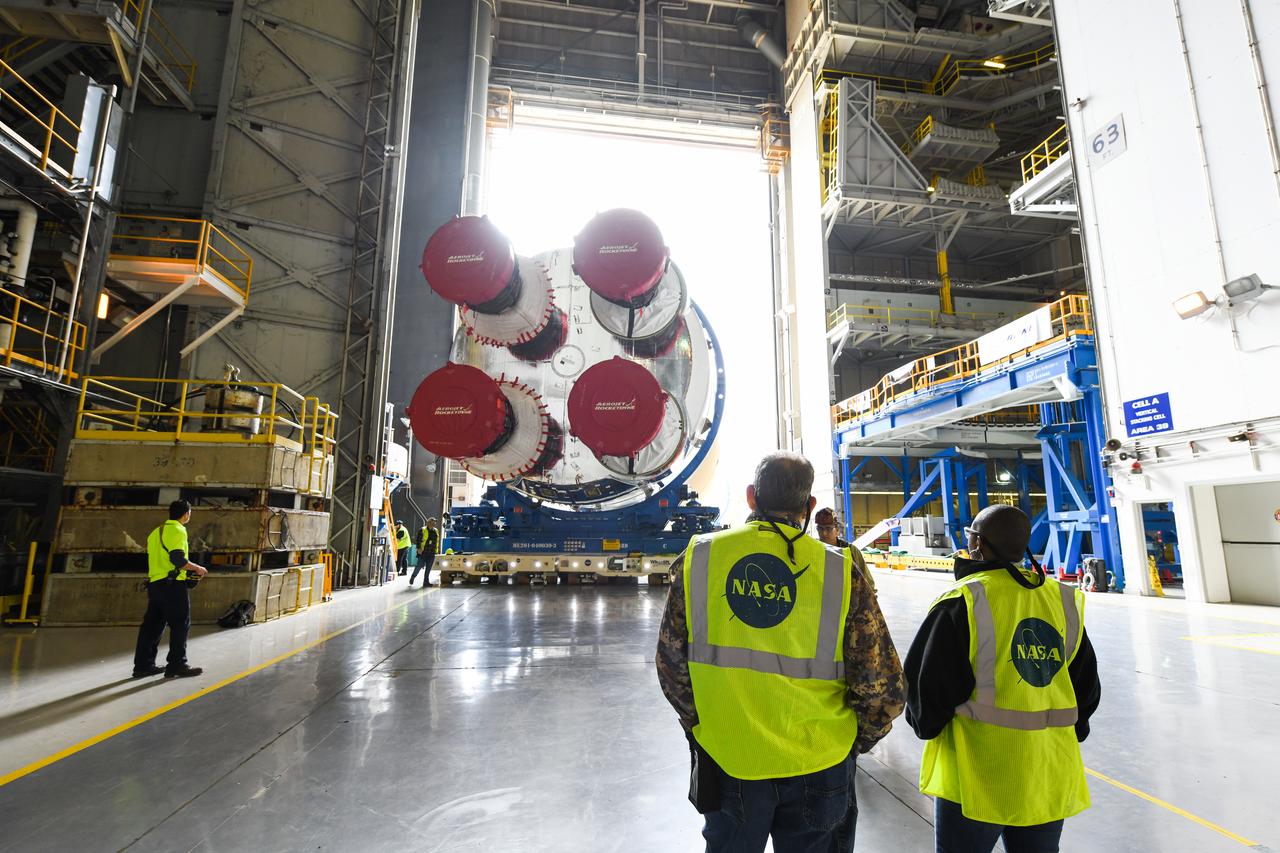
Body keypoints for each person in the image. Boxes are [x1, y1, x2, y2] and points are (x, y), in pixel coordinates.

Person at [656, 451, 905, 853]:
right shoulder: (839, 569)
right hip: (819, 759)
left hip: (729, 755)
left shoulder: (700, 556)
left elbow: (670, 665)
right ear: (808, 507)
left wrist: (703, 727)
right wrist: (853, 742)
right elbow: (881, 684)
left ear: (752, 497)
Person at [903, 504, 1101, 853]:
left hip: (977, 775)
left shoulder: (964, 600)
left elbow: (926, 690)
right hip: (1045, 772)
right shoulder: (1062, 601)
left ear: (977, 543)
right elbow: (1085, 688)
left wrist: (927, 727)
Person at [133, 500, 208, 679]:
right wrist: (198, 568)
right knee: (180, 624)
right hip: (172, 586)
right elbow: (178, 559)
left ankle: (143, 666)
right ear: (186, 514)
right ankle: (177, 665)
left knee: (152, 626)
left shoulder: (155, 533)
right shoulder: (178, 530)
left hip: (155, 585)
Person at [815, 506, 874, 589]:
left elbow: (869, 583)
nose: (824, 533)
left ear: (837, 530)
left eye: (829, 528)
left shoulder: (851, 551)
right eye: (820, 529)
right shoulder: (814, 551)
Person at [410, 518, 440, 587]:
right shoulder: (422, 530)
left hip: (432, 553)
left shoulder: (436, 531)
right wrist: (419, 548)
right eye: (432, 523)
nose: (434, 524)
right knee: (419, 566)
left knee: (428, 568)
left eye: (434, 523)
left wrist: (436, 551)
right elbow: (418, 540)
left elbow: (436, 542)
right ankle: (413, 577)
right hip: (423, 552)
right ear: (428, 523)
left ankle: (426, 582)